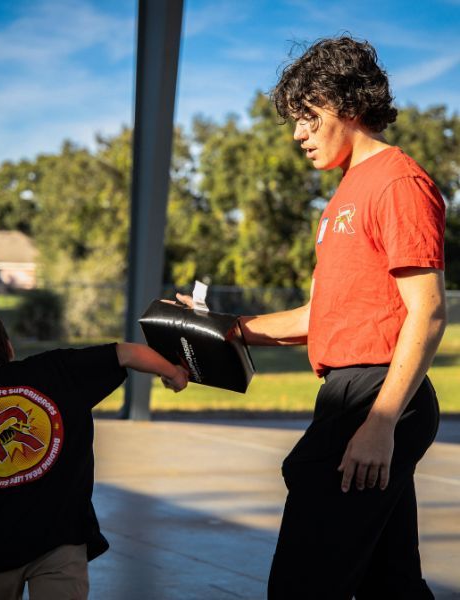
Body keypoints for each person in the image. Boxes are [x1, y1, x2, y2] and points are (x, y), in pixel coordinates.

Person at [179, 36, 446, 599]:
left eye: (307, 117)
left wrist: (380, 423)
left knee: (303, 583)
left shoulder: (398, 182)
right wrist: (224, 326)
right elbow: (319, 314)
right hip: (351, 392)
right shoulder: (344, 195)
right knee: (390, 584)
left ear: (344, 102)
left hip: (375, 396)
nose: (298, 134)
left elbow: (429, 312)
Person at [0, 300, 188, 600]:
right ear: (7, 346)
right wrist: (172, 372)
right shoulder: (57, 370)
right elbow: (128, 353)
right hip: (61, 540)